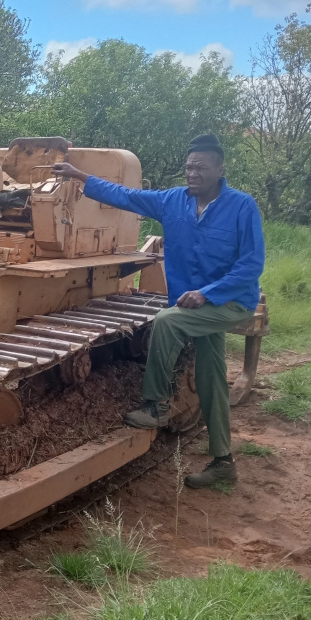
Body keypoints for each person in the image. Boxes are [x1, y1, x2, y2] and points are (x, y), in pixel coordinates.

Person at [52, 134, 265, 489]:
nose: (192, 173)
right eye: (188, 167)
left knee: (166, 322)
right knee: (211, 376)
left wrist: (207, 293)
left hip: (230, 301)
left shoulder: (242, 206)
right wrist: (80, 177)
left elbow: (251, 264)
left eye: (200, 167)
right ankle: (223, 461)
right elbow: (127, 196)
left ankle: (155, 405)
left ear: (219, 169)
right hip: (194, 303)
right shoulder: (172, 201)